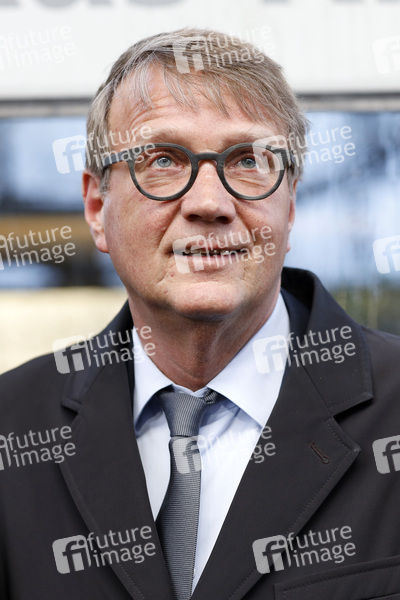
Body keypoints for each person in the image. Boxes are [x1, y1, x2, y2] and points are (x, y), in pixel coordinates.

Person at [1, 27, 400, 600]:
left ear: (290, 205)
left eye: (248, 160)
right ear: (96, 206)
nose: (209, 203)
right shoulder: (12, 426)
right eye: (163, 160)